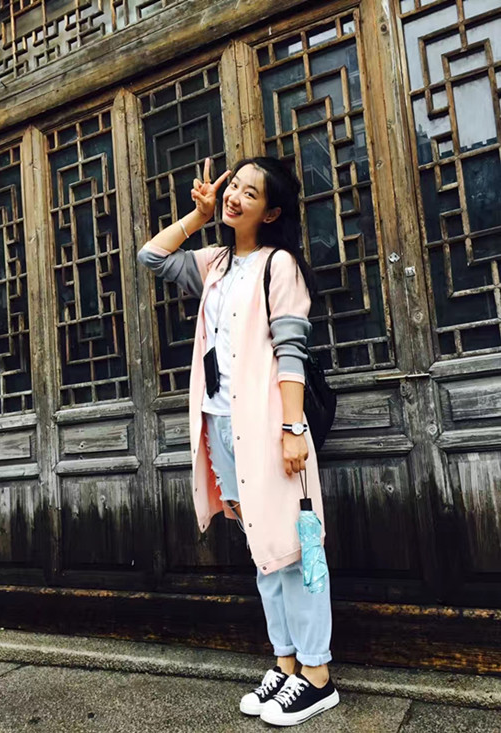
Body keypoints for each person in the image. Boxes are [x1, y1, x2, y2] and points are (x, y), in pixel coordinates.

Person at [137, 156, 339, 727]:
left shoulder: (279, 265)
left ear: (271, 212)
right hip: (222, 425)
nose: (235, 197)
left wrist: (293, 429)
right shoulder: (216, 262)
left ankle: (318, 676)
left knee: (296, 549)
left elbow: (290, 350)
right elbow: (152, 257)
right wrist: (197, 217)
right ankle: (285, 663)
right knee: (263, 551)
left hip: (271, 427)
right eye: (234, 186)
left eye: (250, 193)